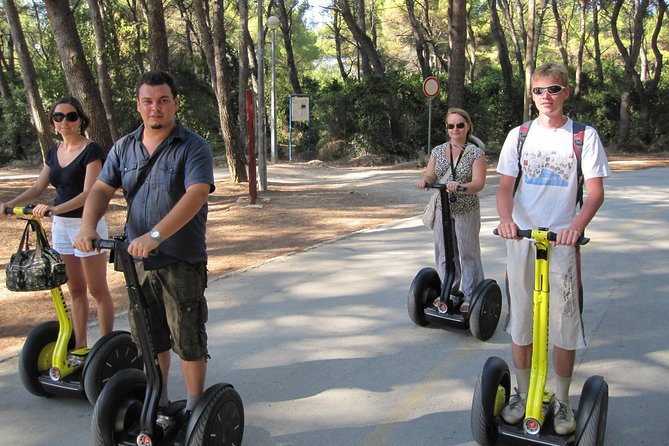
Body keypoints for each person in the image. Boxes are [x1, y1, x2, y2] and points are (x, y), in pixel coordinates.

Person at [73, 71, 215, 424]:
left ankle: (197, 410)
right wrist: (88, 226)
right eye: (148, 101)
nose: (156, 108)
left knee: (187, 336)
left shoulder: (193, 145)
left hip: (179, 258)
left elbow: (196, 194)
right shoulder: (124, 146)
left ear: (175, 103)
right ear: (138, 105)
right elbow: (102, 189)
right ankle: (160, 400)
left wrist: (155, 235)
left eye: (163, 100)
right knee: (149, 338)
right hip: (136, 261)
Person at [495, 63, 610, 435]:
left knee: (564, 323)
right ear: (531, 94)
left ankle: (561, 400)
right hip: (523, 239)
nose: (547, 96)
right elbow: (503, 188)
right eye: (539, 90)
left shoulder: (583, 136)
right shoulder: (519, 136)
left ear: (565, 93)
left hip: (562, 242)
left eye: (554, 89)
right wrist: (508, 220)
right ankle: (522, 392)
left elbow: (594, 192)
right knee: (521, 319)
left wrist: (576, 227)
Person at [0, 97, 114, 352]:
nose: (65, 121)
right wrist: (9, 204)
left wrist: (55, 209)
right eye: (59, 117)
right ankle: (81, 347)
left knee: (97, 290)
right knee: (75, 289)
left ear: (81, 120)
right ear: (52, 123)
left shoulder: (91, 150)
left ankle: (107, 348)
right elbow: (39, 187)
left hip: (87, 224)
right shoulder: (53, 152)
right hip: (61, 227)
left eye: (71, 116)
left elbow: (90, 193)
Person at [415, 108, 487, 313]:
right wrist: (425, 181)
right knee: (444, 252)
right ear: (447, 129)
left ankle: (472, 294)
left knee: (467, 252)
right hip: (442, 209)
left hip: (466, 209)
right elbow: (430, 174)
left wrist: (461, 187)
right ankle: (450, 290)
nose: (455, 129)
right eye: (451, 125)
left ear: (468, 126)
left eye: (460, 125)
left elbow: (479, 183)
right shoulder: (438, 151)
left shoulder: (476, 153)